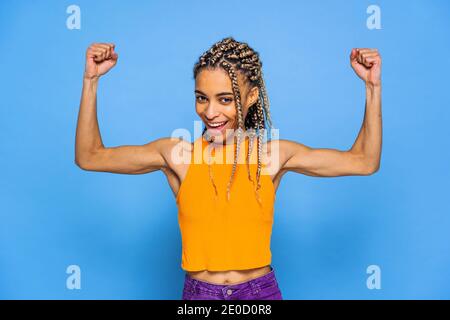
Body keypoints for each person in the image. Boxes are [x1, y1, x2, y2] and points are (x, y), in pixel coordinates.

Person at [75, 37, 382, 300]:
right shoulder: (179, 155)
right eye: (201, 98)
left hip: (259, 294)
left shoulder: (270, 156)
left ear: (251, 96)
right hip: (200, 295)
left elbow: (363, 161)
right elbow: (90, 156)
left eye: (225, 99)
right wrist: (91, 81)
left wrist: (372, 87)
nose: (210, 112)